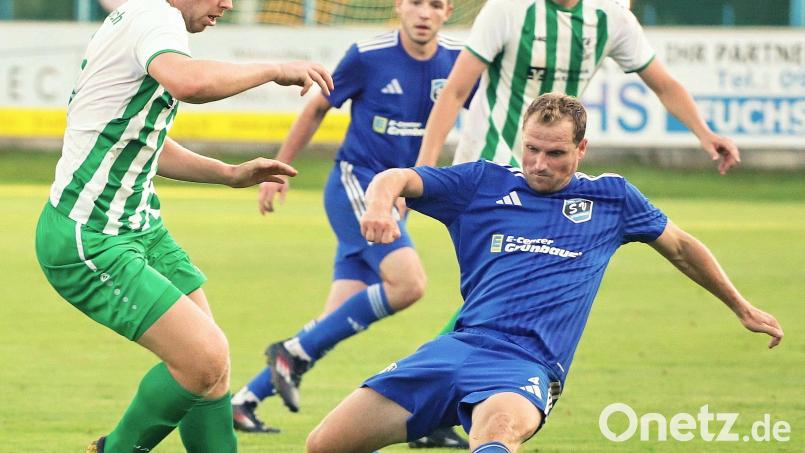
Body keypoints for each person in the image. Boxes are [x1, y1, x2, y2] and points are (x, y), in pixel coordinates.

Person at [304, 93, 783, 453]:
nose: (538, 164)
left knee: (496, 434)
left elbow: (680, 247)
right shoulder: (482, 183)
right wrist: (379, 205)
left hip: (527, 366)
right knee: (324, 444)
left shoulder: (613, 199)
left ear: (581, 149)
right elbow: (396, 177)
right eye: (531, 148)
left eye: (555, 154)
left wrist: (740, 306)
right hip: (455, 349)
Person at [34, 0, 333, 452]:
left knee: (211, 370)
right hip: (89, 235)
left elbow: (139, 137)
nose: (228, 4)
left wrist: (228, 174)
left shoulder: (143, 16)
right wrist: (274, 68)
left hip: (138, 226)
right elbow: (189, 82)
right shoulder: (157, 16)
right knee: (202, 358)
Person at [416, 0, 744, 357]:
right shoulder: (507, 10)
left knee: (508, 297)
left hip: (552, 175)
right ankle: (451, 379)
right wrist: (425, 170)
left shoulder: (610, 17)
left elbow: (664, 84)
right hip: (492, 167)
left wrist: (705, 133)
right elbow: (456, 90)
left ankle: (453, 379)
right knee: (497, 296)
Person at [229, 0, 470, 447]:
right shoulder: (368, 54)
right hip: (355, 186)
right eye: (415, 2)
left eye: (435, 4)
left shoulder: (457, 62)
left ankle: (244, 401)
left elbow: (482, 112)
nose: (424, 13)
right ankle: (418, 411)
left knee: (331, 321)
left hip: (396, 196)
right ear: (400, 6)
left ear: (447, 11)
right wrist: (280, 167)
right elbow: (317, 108)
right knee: (410, 284)